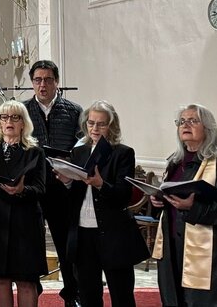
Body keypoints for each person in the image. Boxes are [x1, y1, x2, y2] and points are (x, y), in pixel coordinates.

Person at [150, 104, 217, 306]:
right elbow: (172, 200)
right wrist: (158, 202)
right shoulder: (175, 162)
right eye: (182, 121)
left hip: (210, 256)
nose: (186, 125)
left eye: (193, 120)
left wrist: (192, 208)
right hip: (173, 246)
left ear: (208, 128)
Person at [60, 101, 149, 307]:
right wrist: (67, 182)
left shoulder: (123, 153)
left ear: (112, 125)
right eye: (91, 123)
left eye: (101, 124)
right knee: (88, 295)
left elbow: (124, 196)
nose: (95, 128)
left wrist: (101, 184)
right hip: (83, 233)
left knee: (121, 295)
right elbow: (74, 198)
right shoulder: (79, 152)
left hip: (113, 233)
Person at [0, 100, 48, 307]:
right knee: (0, 280)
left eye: (15, 117)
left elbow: (41, 188)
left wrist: (23, 190)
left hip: (25, 224)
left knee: (26, 281)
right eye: (4, 117)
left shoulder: (35, 152)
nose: (9, 121)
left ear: (23, 123)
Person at [23, 60, 83, 307]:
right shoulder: (23, 110)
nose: (43, 85)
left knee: (66, 244)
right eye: (38, 80)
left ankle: (72, 293)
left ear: (56, 82)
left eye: (48, 79)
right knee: (31, 242)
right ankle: (32, 290)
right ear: (32, 83)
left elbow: (82, 145)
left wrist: (70, 162)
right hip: (33, 187)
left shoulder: (74, 110)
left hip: (62, 186)